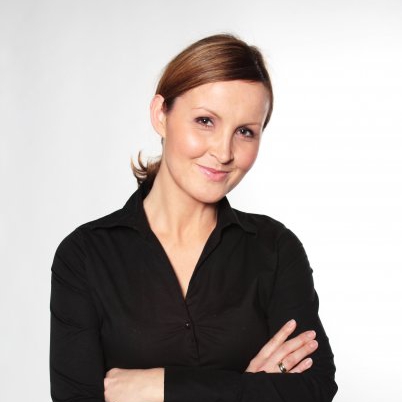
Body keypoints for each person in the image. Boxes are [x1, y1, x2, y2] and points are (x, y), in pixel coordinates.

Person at [50, 34, 337, 402]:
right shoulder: (85, 256)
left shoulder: (276, 248)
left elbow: (315, 389)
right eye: (205, 121)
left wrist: (159, 387)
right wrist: (249, 387)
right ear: (161, 114)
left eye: (245, 132)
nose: (223, 152)